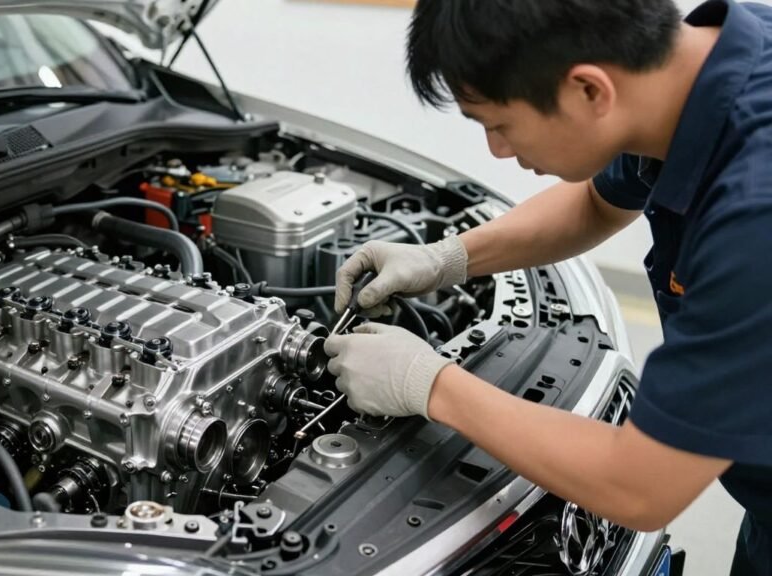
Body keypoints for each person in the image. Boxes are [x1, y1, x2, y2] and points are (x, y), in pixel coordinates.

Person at [324, 1, 772, 573]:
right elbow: (596, 202)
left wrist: (428, 384)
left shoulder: (754, 218)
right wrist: (448, 258)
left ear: (589, 90)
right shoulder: (701, 65)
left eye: (499, 124)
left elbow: (640, 488)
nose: (497, 150)